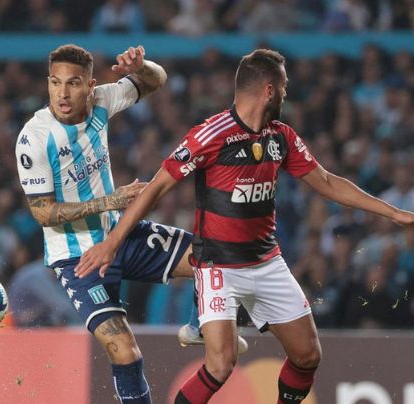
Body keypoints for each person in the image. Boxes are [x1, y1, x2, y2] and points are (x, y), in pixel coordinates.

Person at [74, 48, 414, 403]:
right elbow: (156, 188)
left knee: (308, 355)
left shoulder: (281, 136)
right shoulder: (211, 134)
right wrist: (113, 242)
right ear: (269, 90)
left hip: (266, 262)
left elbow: (326, 182)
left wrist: (393, 212)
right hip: (217, 265)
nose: (286, 93)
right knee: (220, 364)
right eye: (284, 86)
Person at [14, 44, 246, 404]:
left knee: (212, 251)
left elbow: (156, 80)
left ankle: (200, 325)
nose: (63, 93)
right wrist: (110, 201)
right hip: (77, 258)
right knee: (124, 350)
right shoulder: (34, 138)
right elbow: (42, 212)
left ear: (91, 85)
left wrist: (142, 66)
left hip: (121, 236)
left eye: (73, 83)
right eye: (56, 83)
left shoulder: (102, 101)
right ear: (47, 83)